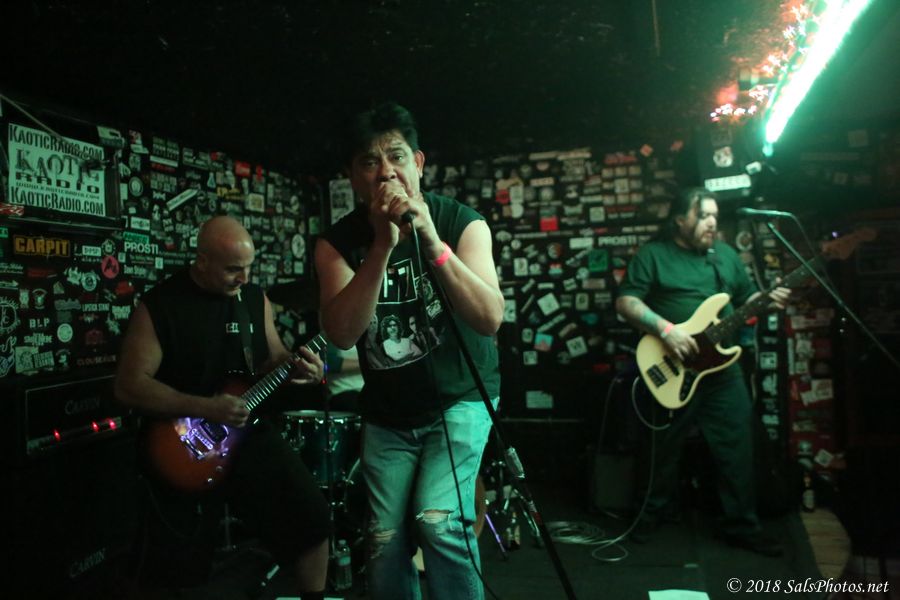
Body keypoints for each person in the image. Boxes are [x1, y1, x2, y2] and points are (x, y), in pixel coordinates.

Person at [315, 102, 504, 600]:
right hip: (388, 414)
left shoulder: (463, 223)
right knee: (383, 537)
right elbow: (341, 333)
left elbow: (489, 317)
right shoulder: (337, 244)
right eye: (369, 162)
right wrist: (381, 245)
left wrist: (431, 241)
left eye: (396, 157)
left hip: (460, 399)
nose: (385, 172)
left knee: (439, 521)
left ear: (418, 163)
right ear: (353, 177)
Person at [114, 216, 331, 599]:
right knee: (178, 569)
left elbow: (274, 358)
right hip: (183, 445)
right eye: (233, 269)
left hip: (247, 432)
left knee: (312, 517)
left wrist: (305, 370)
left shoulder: (253, 298)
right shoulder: (160, 306)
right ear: (201, 261)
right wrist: (204, 407)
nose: (244, 278)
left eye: (248, 267)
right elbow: (129, 386)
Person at [615, 187, 791, 557]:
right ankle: (649, 515)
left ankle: (741, 524)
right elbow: (627, 301)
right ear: (680, 219)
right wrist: (667, 330)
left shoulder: (725, 256)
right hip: (672, 364)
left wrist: (766, 303)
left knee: (736, 446)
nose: (712, 222)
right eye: (703, 215)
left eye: (714, 215)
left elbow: (745, 301)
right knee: (661, 448)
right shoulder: (654, 255)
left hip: (721, 371)